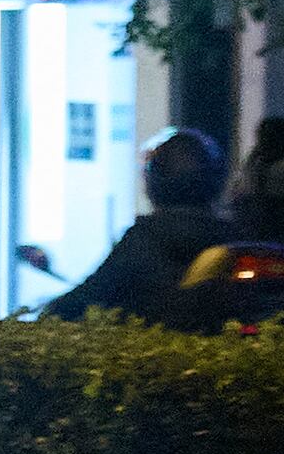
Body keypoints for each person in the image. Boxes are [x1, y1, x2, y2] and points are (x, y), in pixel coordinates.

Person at [40, 125, 234, 321]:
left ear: (152, 183)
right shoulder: (236, 240)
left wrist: (47, 312)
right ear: (217, 182)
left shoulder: (143, 240)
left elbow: (83, 300)